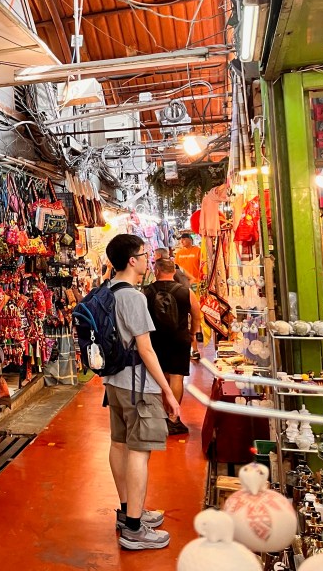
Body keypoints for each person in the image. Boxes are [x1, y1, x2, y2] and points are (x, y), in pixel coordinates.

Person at [102, 234, 180, 552]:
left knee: (119, 444)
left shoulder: (107, 291)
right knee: (139, 451)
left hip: (114, 382)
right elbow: (146, 349)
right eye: (144, 254)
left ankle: (127, 511)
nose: (149, 259)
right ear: (132, 260)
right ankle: (134, 528)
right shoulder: (133, 297)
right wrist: (168, 391)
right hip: (137, 386)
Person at [144, 259, 201, 435]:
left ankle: (162, 415)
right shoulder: (186, 291)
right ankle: (173, 418)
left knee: (161, 377)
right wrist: (192, 333)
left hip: (155, 340)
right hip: (179, 339)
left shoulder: (146, 291)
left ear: (157, 271)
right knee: (177, 377)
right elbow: (197, 314)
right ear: (174, 272)